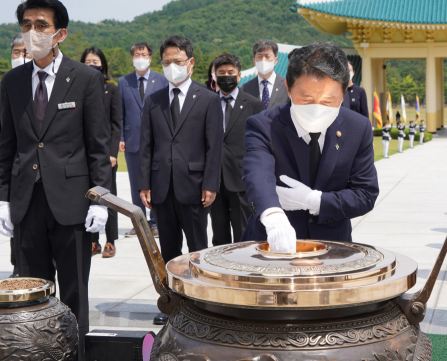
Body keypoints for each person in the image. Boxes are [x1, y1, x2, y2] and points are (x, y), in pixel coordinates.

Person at [0, 0, 111, 361]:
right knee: (30, 292)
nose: (33, 32)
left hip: (74, 203)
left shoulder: (86, 79)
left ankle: (75, 355)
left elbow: (98, 144)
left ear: (59, 33)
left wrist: (101, 197)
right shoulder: (11, 83)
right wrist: (2, 199)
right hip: (27, 203)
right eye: (27, 25)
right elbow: (7, 144)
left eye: (41, 25)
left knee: (74, 290)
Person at [241, 42, 379, 252]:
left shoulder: (357, 128)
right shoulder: (263, 126)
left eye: (327, 101)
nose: (316, 108)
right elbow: (257, 176)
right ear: (288, 88)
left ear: (343, 93)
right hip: (271, 243)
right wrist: (273, 215)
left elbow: (365, 195)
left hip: (333, 246)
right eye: (305, 99)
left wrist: (315, 201)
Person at [138, 35, 223, 325]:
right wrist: (144, 184)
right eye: (166, 62)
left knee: (198, 247)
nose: (172, 67)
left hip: (196, 187)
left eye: (178, 61)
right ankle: (174, 306)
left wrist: (211, 183)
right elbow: (146, 145)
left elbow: (215, 146)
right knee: (169, 250)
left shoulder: (209, 99)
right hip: (162, 187)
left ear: (190, 63)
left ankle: (201, 307)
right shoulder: (153, 101)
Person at [210, 54, 263, 246]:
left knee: (243, 231)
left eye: (230, 72)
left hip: (241, 177)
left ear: (239, 76)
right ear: (215, 76)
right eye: (221, 73)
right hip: (213, 179)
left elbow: (259, 142)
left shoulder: (253, 104)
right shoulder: (207, 102)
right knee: (219, 233)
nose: (226, 76)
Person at [0, 34, 33, 278]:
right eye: (15, 52)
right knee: (14, 216)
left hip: (37, 161)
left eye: (23, 52)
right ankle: (17, 266)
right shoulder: (4, 84)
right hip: (14, 163)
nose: (19, 56)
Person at [119, 42, 168, 238]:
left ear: (150, 57)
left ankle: (155, 221)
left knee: (155, 181)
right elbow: (120, 113)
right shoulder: (123, 82)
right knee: (135, 183)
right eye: (137, 54)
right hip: (132, 139)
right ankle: (138, 222)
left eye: (144, 54)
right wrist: (121, 137)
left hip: (156, 140)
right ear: (132, 58)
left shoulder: (162, 79)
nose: (140, 57)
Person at [81, 47, 121, 258]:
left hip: (105, 154)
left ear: (102, 64)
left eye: (95, 61)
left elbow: (116, 124)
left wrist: (112, 152)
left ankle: (110, 241)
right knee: (88, 197)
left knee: (108, 197)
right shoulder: (78, 88)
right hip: (83, 154)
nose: (91, 65)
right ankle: (93, 241)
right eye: (87, 61)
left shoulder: (111, 89)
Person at [242, 39, 288, 109]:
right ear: (254, 61)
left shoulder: (287, 86)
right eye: (259, 56)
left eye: (267, 56)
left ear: (275, 60)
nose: (263, 60)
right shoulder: (245, 88)